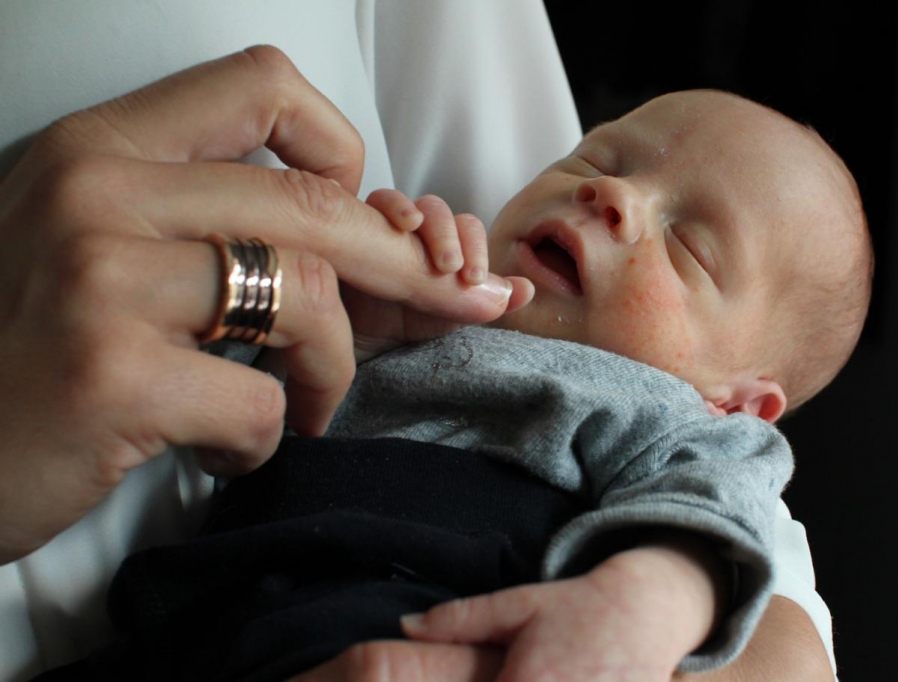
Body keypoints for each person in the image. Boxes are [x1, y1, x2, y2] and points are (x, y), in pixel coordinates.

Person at [0, 2, 840, 680]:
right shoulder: (427, 311)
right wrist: (368, 301)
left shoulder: (667, 416)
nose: (614, 196)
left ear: (736, 400)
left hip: (420, 611)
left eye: (689, 247)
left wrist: (641, 601)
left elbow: (718, 514)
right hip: (204, 608)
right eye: (595, 159)